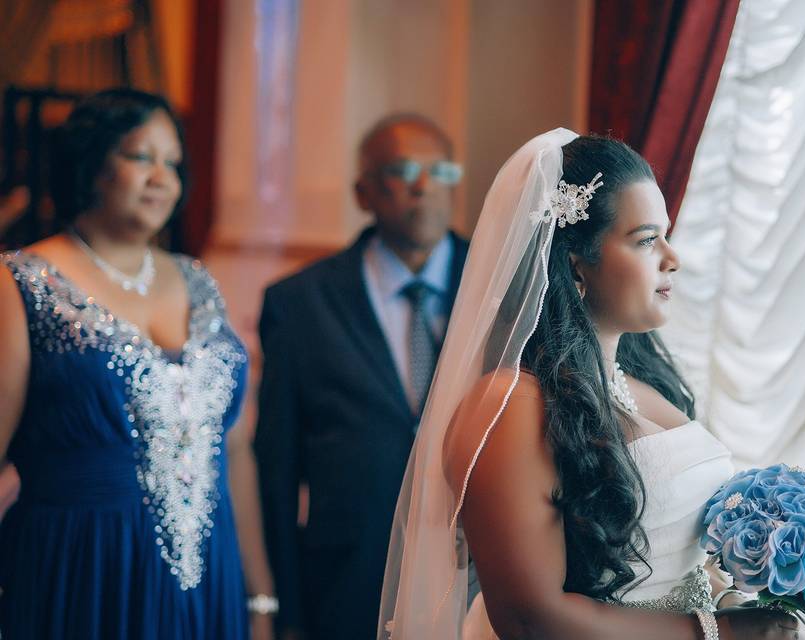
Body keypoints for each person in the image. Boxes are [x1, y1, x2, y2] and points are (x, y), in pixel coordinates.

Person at [378, 130, 802, 639]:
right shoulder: (513, 405)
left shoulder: (648, 382)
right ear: (576, 261)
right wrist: (721, 634)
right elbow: (530, 618)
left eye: (666, 235)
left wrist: (734, 597)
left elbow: (672, 559)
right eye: (646, 239)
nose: (673, 258)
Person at [0, 88, 276, 639]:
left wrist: (260, 595)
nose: (162, 178)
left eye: (172, 163)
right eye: (140, 156)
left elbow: (236, 449)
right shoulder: (20, 282)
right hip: (82, 566)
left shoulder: (198, 279)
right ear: (92, 162)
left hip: (210, 573)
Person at [254, 113, 469, 639]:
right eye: (402, 169)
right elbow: (276, 467)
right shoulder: (299, 302)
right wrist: (285, 607)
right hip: (346, 577)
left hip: (475, 573)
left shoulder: (508, 289)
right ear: (363, 192)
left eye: (439, 170)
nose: (423, 186)